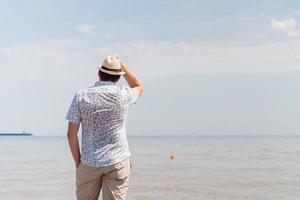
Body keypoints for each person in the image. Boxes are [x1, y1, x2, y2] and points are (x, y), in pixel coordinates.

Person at [66, 55, 143, 200]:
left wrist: (78, 162)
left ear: (99, 73)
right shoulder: (123, 95)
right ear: (119, 77)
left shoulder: (81, 96)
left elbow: (71, 134)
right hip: (117, 161)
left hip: (89, 161)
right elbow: (138, 86)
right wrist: (122, 66)